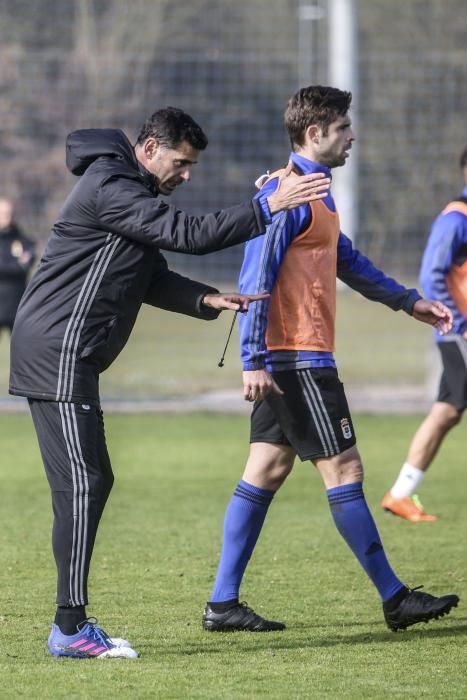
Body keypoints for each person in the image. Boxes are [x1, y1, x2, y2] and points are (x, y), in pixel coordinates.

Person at [9, 107, 331, 659]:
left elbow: (150, 274)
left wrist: (207, 300)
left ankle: (70, 623)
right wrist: (266, 206)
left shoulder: (128, 190)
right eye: (181, 163)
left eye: (192, 166)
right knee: (86, 484)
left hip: (64, 350)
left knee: (88, 482)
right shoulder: (111, 186)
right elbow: (188, 233)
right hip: (60, 349)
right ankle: (69, 628)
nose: (186, 175)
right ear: (150, 148)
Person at [202, 86, 459, 635]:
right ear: (314, 134)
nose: (352, 137)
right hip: (297, 359)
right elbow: (255, 277)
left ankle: (222, 603)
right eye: (343, 128)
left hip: (293, 357)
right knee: (346, 471)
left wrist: (409, 302)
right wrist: (253, 359)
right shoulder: (286, 193)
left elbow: (349, 261)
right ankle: (394, 598)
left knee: (266, 469)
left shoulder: (318, 194)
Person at [381, 146, 467, 522]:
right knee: (447, 411)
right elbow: (432, 274)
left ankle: (401, 493)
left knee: (447, 411)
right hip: (461, 333)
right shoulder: (456, 219)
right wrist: (458, 327)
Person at [0, 198, 35, 335]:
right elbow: (18, 265)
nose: (7, 217)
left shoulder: (23, 240)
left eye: (10, 213)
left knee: (19, 350)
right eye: (3, 213)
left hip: (16, 305)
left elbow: (26, 264)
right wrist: (16, 263)